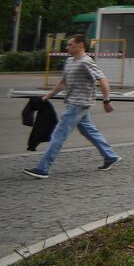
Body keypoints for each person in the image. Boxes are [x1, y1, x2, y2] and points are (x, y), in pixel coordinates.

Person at [22, 34, 120, 178]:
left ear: (80, 45)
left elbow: (103, 80)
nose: (67, 47)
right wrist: (47, 96)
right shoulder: (69, 61)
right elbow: (63, 82)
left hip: (77, 105)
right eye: (67, 45)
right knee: (89, 131)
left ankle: (42, 169)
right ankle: (111, 156)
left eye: (70, 45)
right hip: (76, 104)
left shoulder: (86, 62)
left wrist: (106, 101)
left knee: (58, 136)